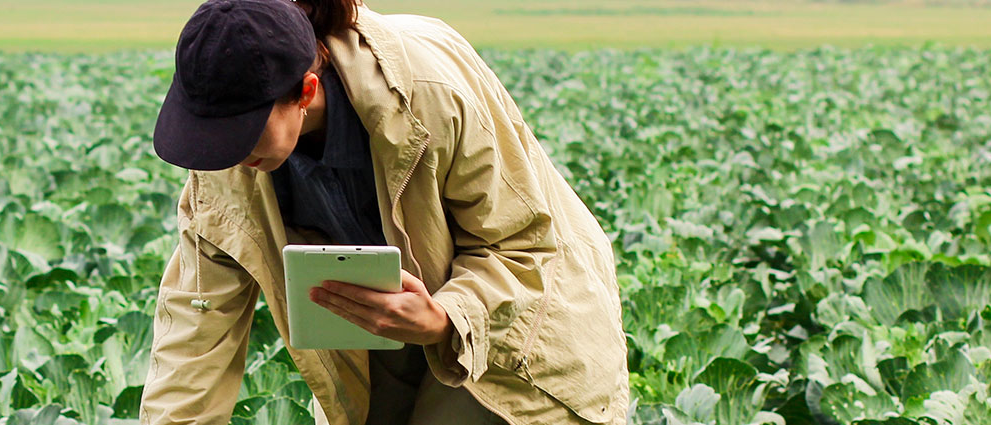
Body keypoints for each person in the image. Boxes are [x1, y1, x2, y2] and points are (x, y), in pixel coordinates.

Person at [140, 0, 629, 424]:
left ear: (305, 93)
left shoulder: (430, 92)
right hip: (379, 339)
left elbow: (524, 242)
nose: (230, 153)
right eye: (212, 134)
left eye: (243, 132)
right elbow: (196, 320)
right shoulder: (223, 161)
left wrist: (444, 318)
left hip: (520, 321)